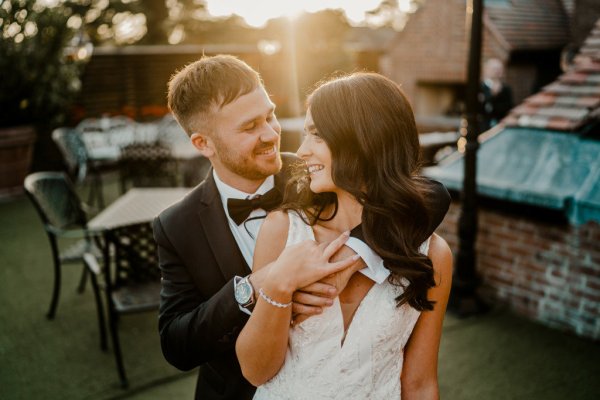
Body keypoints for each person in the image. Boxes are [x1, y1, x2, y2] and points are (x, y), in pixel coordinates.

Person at [153, 55, 451, 400]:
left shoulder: (313, 173)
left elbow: (424, 192)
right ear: (203, 144)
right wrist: (258, 286)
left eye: (270, 115)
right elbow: (176, 344)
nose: (272, 134)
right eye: (250, 127)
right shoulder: (177, 225)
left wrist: (357, 252)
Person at [236, 72, 453, 399]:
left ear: (365, 139)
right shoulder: (283, 229)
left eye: (317, 135)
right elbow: (255, 371)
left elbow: (420, 383)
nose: (302, 151)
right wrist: (279, 283)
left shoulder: (432, 253)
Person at [479, 58, 513, 132]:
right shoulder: (479, 87)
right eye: (494, 69)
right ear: (486, 70)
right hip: (482, 128)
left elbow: (508, 107)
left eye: (499, 69)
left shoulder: (506, 89)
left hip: (500, 127)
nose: (497, 71)